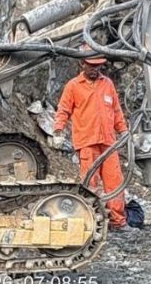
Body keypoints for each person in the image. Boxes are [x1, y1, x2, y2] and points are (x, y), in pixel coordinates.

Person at [51, 47, 128, 229]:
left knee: (115, 182)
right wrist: (58, 130)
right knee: (89, 184)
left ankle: (118, 222)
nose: (95, 69)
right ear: (82, 64)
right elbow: (63, 110)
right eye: (91, 66)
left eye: (99, 66)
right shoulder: (73, 86)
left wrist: (123, 131)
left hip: (108, 143)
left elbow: (116, 111)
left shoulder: (107, 84)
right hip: (87, 143)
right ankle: (92, 223)